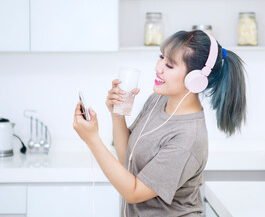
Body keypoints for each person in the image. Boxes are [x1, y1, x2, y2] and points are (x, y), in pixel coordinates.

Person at [73, 30, 246, 216]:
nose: (158, 67)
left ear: (195, 80)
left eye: (169, 65)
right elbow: (128, 160)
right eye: (161, 57)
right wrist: (117, 113)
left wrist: (92, 140)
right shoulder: (158, 100)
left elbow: (134, 192)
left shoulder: (188, 138)